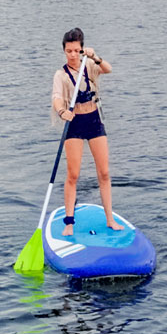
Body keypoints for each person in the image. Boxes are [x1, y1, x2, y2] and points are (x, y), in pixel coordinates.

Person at [51, 27, 120, 237]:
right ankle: (69, 222)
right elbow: (56, 98)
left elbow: (108, 69)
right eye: (68, 51)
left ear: (81, 50)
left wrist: (95, 56)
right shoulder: (61, 75)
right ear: (64, 51)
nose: (72, 55)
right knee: (73, 174)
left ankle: (110, 219)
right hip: (74, 123)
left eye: (76, 50)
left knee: (104, 172)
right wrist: (62, 111)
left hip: (93, 120)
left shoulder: (89, 65)